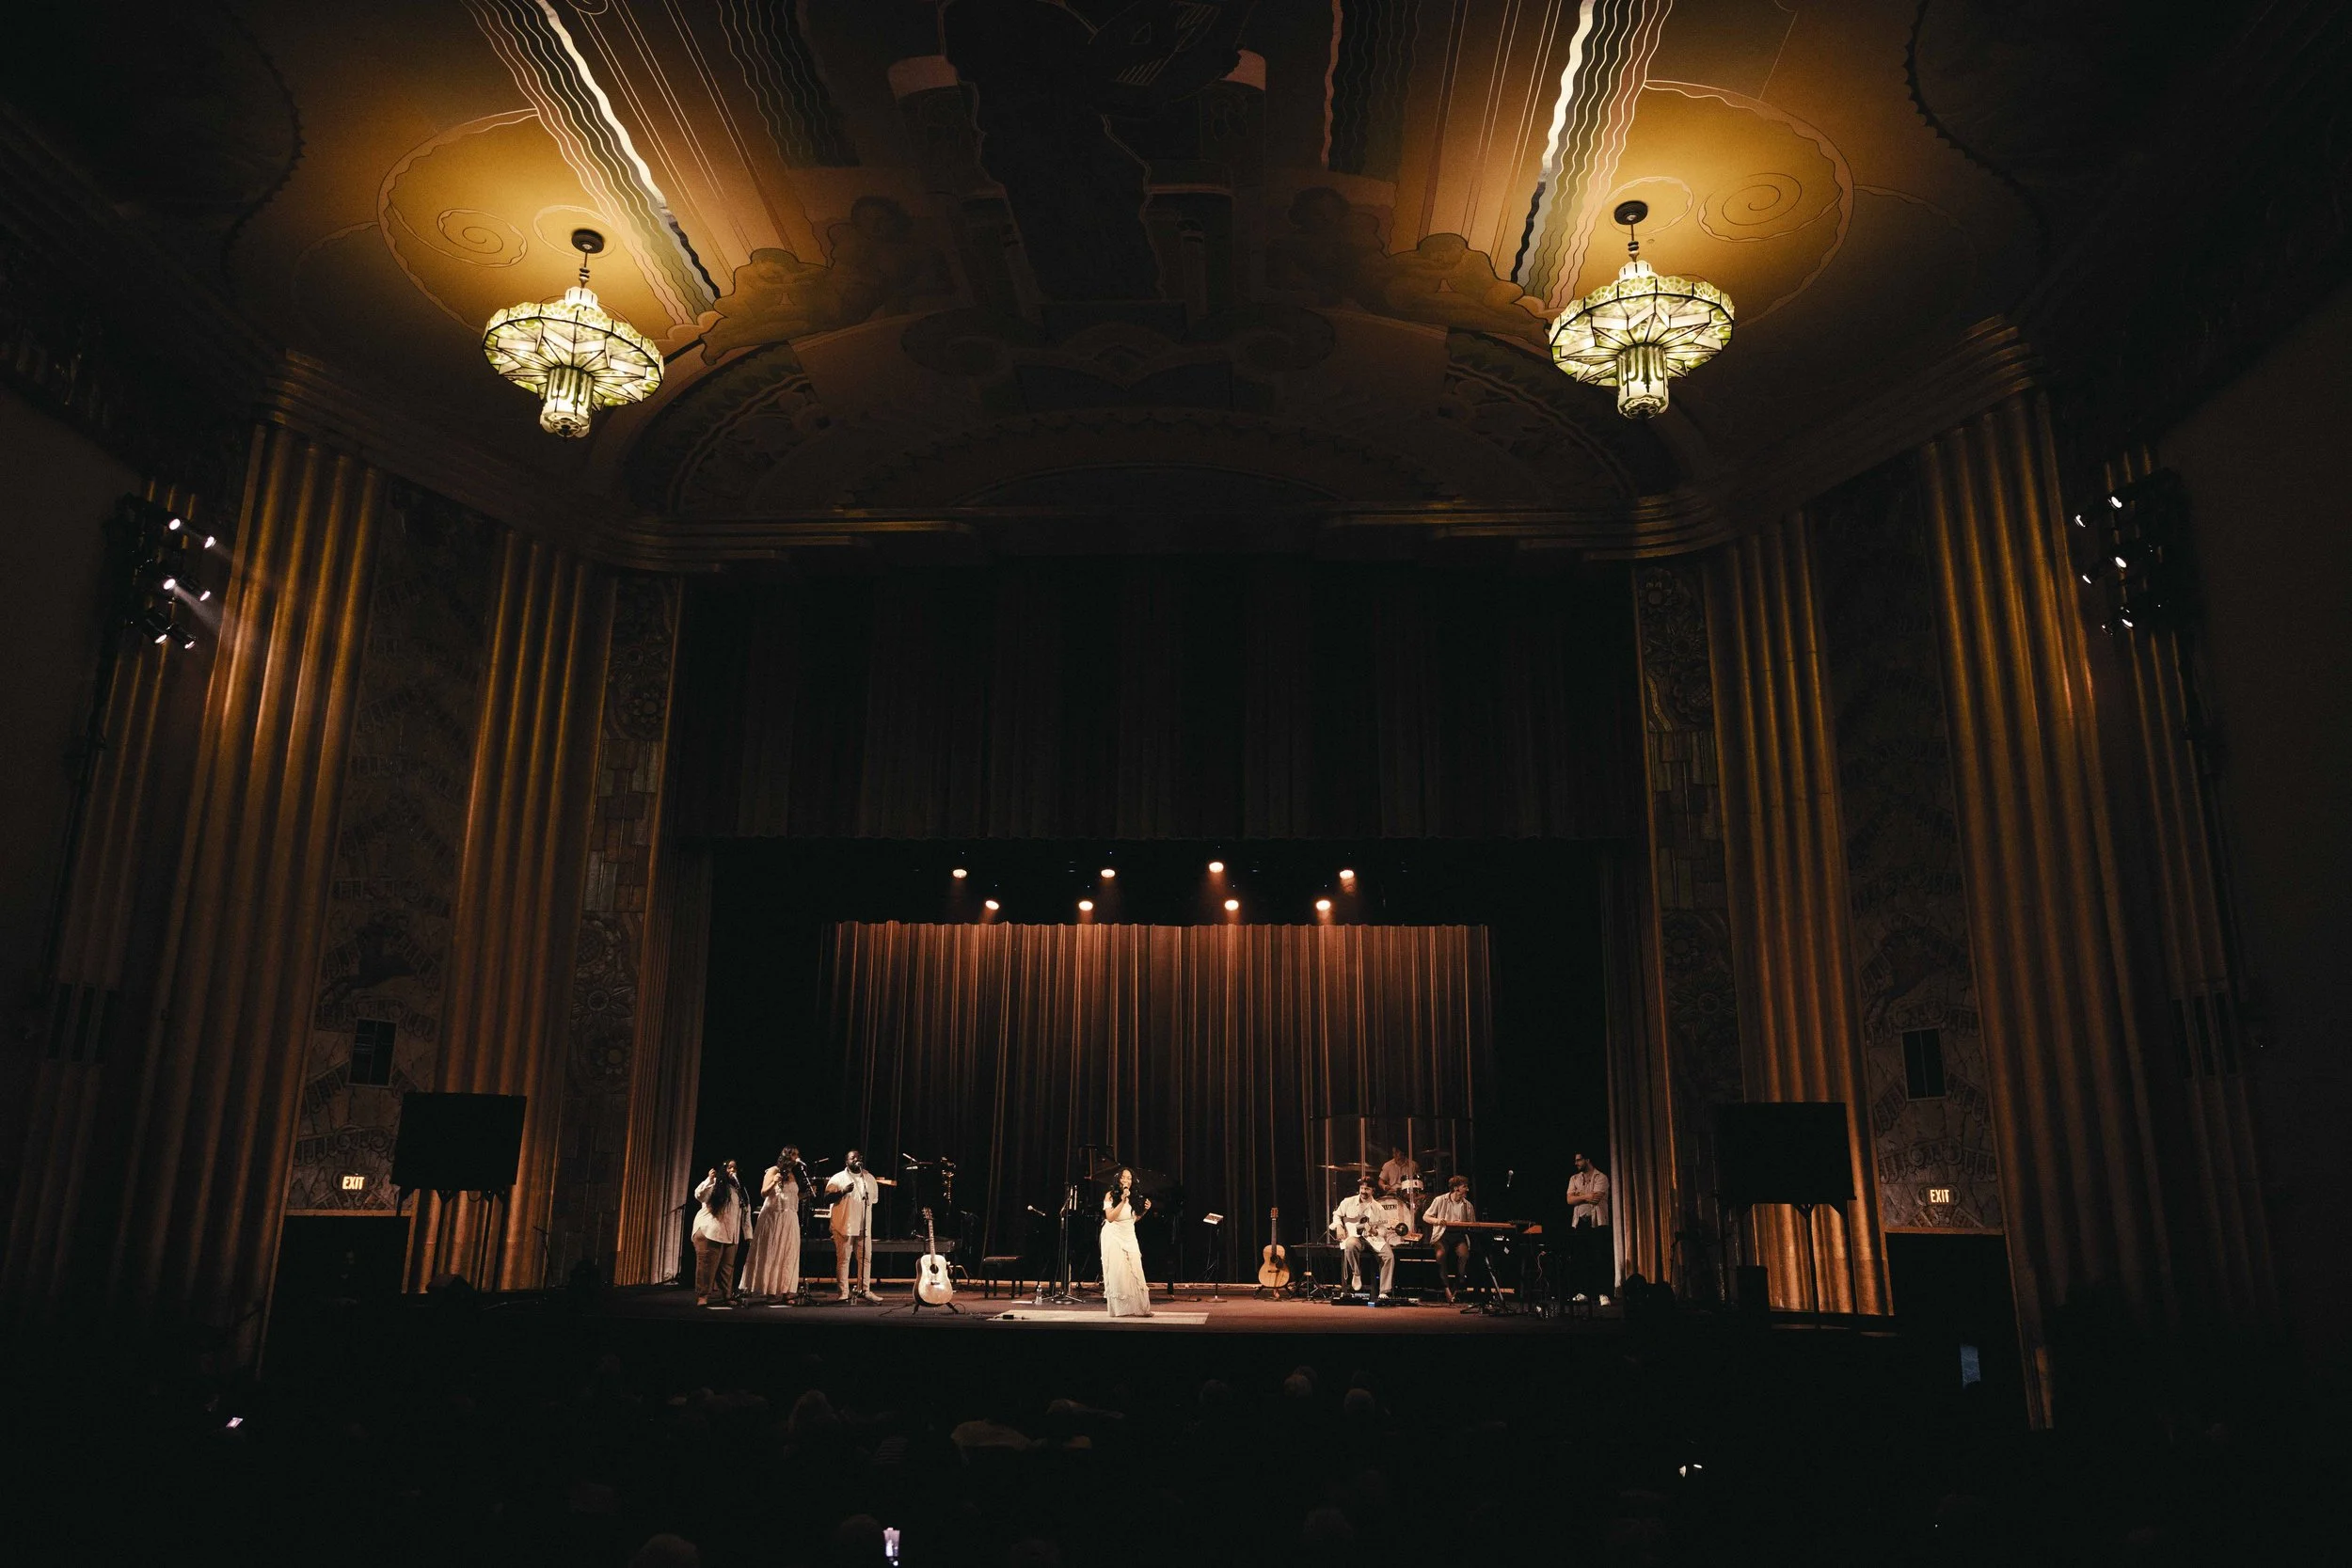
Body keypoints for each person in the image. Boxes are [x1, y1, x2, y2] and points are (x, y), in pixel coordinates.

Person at [740, 1146, 806, 1304]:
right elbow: (764, 1193)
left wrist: (807, 1194)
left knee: (788, 1254)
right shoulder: (773, 1171)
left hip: (790, 1217)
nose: (797, 1157)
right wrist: (774, 1183)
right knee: (773, 1251)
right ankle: (770, 1291)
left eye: (798, 1154)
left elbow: (792, 1197)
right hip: (774, 1216)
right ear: (787, 1156)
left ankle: (787, 1291)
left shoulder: (793, 1174)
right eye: (794, 1154)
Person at [1332, 1177, 1405, 1298]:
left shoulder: (1378, 1208)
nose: (1363, 1191)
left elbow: (1383, 1230)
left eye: (1367, 1189)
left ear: (1373, 1190)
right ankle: (1356, 1273)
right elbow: (1337, 1215)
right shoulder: (1348, 1202)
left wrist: (1374, 1232)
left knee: (1389, 1256)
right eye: (1362, 1188)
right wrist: (1339, 1227)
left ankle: (1384, 1291)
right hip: (1355, 1237)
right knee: (1350, 1244)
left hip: (1372, 1239)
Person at [826, 1150, 884, 1302]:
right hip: (844, 1225)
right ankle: (843, 1292)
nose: (857, 1160)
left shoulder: (869, 1178)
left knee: (865, 1259)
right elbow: (826, 1198)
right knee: (844, 1260)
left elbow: (874, 1200)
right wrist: (842, 1191)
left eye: (859, 1158)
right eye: (853, 1158)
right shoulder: (838, 1178)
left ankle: (865, 1290)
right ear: (847, 1161)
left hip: (864, 1226)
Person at [691, 1160, 748, 1307]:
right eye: (729, 1167)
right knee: (707, 1265)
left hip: (731, 1233)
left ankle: (727, 1295)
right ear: (723, 1169)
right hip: (710, 1230)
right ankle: (703, 1296)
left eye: (735, 1168)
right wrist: (709, 1180)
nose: (732, 1170)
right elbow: (699, 1195)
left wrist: (747, 1233)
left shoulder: (739, 1189)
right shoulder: (715, 1183)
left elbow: (745, 1211)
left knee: (727, 1267)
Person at [1100, 1166, 1153, 1318]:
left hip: (1129, 1234)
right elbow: (1110, 1217)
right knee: (1119, 1272)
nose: (1126, 1180)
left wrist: (1144, 1211)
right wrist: (1122, 1201)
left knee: (1136, 1268)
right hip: (1113, 1235)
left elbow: (1132, 1220)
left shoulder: (1135, 1197)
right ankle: (1119, 1310)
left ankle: (1141, 1308)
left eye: (1129, 1178)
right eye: (1123, 1177)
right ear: (1118, 1179)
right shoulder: (1110, 1195)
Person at [1565, 1150, 1613, 1305]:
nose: (1576, 1163)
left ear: (1588, 1159)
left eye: (1579, 1160)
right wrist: (1585, 1196)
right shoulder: (1574, 1178)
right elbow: (1569, 1200)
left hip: (1597, 1223)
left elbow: (1596, 1198)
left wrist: (1578, 1195)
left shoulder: (1601, 1177)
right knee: (1581, 1259)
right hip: (1580, 1223)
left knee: (1599, 1259)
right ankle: (1584, 1291)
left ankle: (1603, 1293)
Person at [1422, 1173, 1479, 1303]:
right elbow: (1426, 1217)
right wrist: (1438, 1221)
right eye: (1465, 1187)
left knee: (1464, 1255)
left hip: (1459, 1235)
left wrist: (1468, 1225)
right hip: (1443, 1234)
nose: (1467, 1189)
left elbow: (1472, 1224)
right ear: (1456, 1188)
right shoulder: (1440, 1200)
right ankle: (1446, 1287)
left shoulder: (1467, 1205)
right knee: (1440, 1254)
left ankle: (1459, 1284)